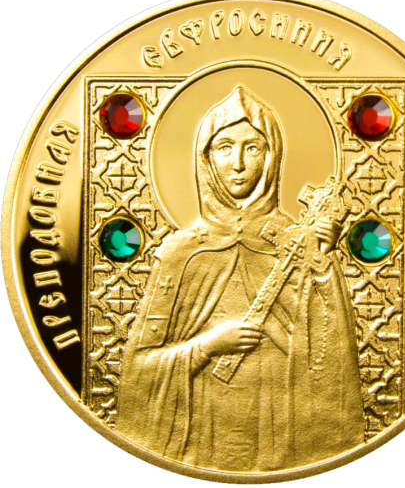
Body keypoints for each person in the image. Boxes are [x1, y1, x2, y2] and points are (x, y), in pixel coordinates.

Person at [116, 87, 365, 471]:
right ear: (205, 158)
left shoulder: (296, 241)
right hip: (200, 433)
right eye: (225, 147)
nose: (238, 163)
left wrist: (322, 263)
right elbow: (139, 371)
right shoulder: (182, 252)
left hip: (283, 425)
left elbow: (329, 357)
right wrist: (206, 346)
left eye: (253, 148)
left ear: (272, 156)